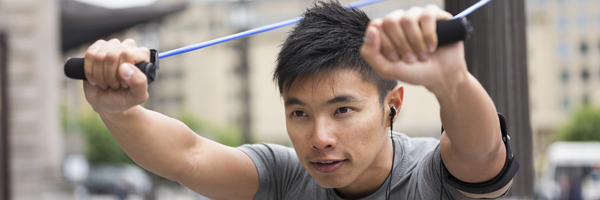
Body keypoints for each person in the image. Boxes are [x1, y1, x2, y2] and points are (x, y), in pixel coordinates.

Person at [80, 1, 516, 199]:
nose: (319, 137)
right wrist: (117, 109)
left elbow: (483, 153)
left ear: (392, 105)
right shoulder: (285, 176)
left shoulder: (431, 176)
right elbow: (188, 156)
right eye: (299, 113)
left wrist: (452, 80)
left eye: (343, 109)